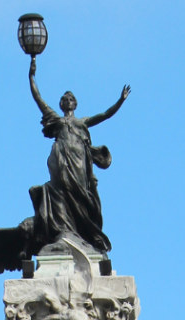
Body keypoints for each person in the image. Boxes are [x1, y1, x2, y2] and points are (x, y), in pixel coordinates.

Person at [28, 57, 130, 254]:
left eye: (71, 99)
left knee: (81, 195)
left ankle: (84, 235)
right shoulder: (55, 119)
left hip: (79, 162)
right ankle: (64, 230)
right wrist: (32, 74)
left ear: (75, 103)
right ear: (61, 104)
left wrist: (120, 100)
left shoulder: (82, 122)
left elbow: (105, 114)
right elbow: (38, 97)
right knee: (58, 190)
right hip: (59, 159)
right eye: (64, 99)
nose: (68, 101)